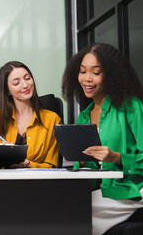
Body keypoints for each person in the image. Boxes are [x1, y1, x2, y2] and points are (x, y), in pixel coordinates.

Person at [61, 43, 143, 235]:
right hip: (105, 192)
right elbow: (88, 170)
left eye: (96, 73)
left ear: (111, 75)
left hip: (133, 188)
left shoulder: (130, 106)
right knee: (63, 207)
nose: (87, 79)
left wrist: (117, 158)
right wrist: (78, 162)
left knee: (72, 213)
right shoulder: (84, 116)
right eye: (82, 71)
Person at [0, 61, 61, 168]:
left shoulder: (52, 119)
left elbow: (53, 166)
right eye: (16, 83)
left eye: (27, 78)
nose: (25, 85)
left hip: (37, 182)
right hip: (1, 182)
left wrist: (30, 165)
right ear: (8, 91)